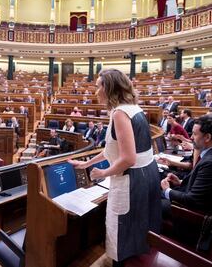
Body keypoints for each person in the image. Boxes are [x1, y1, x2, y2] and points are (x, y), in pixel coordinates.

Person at [69, 69, 161, 266]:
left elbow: (127, 158)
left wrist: (103, 173)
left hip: (131, 182)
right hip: (145, 177)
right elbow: (113, 150)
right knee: (135, 234)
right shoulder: (132, 107)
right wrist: (87, 163)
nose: (96, 92)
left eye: (98, 86)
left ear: (109, 88)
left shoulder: (120, 114)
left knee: (121, 237)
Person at [161, 115, 212, 218]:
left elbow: (192, 200)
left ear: (207, 137)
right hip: (196, 202)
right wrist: (180, 182)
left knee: (151, 202)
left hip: (194, 216)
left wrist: (167, 190)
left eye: (194, 134)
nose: (191, 137)